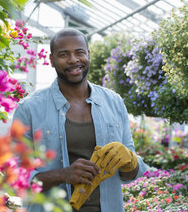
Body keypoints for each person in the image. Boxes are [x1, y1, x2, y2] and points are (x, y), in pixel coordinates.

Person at [13, 28, 148, 212]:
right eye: (63, 54)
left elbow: (130, 174)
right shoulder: (29, 109)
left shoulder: (113, 102)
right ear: (52, 60)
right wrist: (63, 174)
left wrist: (131, 161)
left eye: (79, 52)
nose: (73, 60)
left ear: (88, 55)